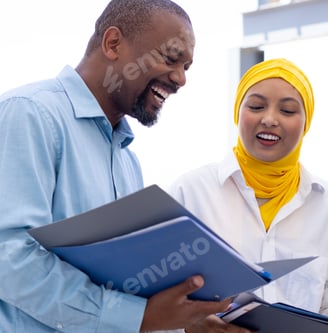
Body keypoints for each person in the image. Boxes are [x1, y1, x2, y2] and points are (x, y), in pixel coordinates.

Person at [0, 1, 234, 332]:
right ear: (113, 44)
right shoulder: (29, 115)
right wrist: (138, 317)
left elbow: (123, 288)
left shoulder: (127, 161)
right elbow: (8, 260)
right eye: (170, 59)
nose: (181, 79)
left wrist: (185, 318)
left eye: (187, 67)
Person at [167, 58, 328, 332]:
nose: (270, 119)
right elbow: (156, 304)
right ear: (238, 112)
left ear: (306, 122)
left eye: (287, 110)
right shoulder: (191, 192)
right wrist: (192, 326)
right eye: (256, 106)